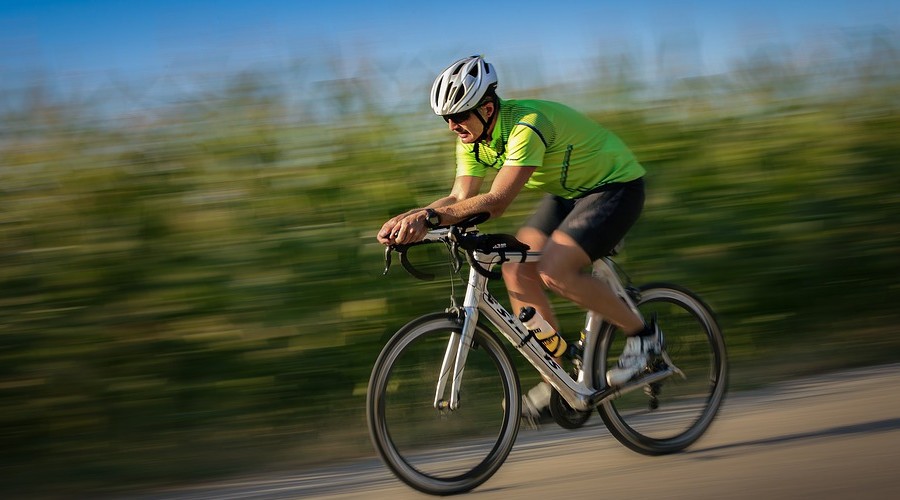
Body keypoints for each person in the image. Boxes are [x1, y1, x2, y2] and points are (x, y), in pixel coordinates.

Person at [376, 55, 661, 420]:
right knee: (515, 267)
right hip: (569, 193)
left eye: (459, 116)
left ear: (488, 108)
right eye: (447, 119)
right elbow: (460, 199)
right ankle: (559, 377)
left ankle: (643, 336)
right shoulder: (472, 139)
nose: (452, 126)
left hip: (615, 187)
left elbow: (496, 202)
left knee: (555, 270)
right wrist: (411, 218)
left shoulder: (527, 124)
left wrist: (431, 217)